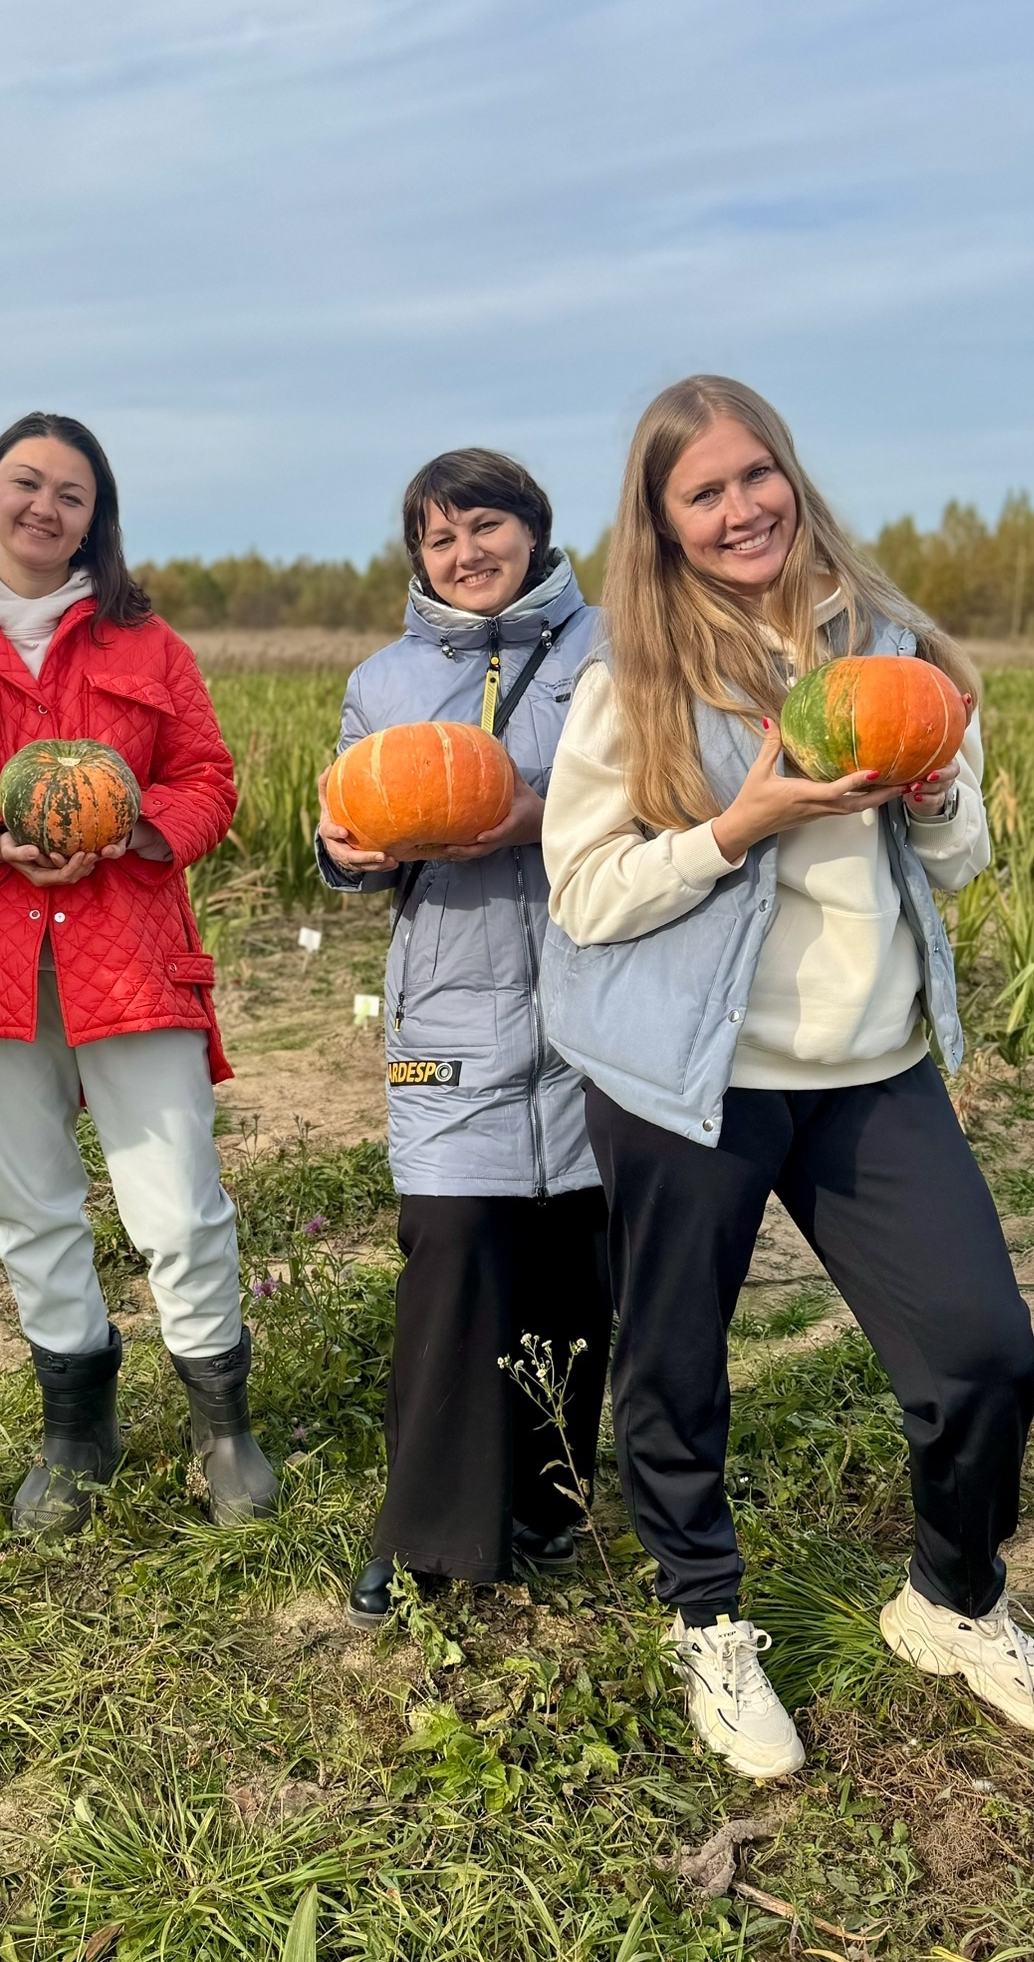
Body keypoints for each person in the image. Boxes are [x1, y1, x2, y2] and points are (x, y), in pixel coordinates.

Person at [540, 375, 1034, 1780]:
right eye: (704, 492)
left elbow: (959, 862)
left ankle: (953, 1597)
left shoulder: (894, 648)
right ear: (661, 521)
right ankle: (706, 1615)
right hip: (693, 1077)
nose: (741, 509)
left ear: (791, 476)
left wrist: (938, 793)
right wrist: (735, 826)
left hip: (871, 1066)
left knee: (983, 1351)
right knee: (676, 1361)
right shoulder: (633, 678)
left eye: (757, 475)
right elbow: (586, 895)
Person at [0, 412, 277, 1534]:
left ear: (96, 518)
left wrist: (136, 830)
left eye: (71, 494)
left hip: (127, 954)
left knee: (178, 1200)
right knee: (33, 1204)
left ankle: (222, 1424)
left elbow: (208, 777)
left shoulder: (148, 645)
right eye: (26, 482)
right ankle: (76, 1429)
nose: (45, 506)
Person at [316, 449, 613, 1629]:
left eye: (484, 525)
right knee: (451, 1247)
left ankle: (547, 1502)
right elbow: (351, 835)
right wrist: (344, 852)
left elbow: (672, 793)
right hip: (450, 1003)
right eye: (439, 538)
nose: (465, 552)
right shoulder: (383, 680)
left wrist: (544, 816)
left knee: (575, 1260)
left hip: (599, 993)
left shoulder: (615, 653)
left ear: (533, 530)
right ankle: (428, 1532)